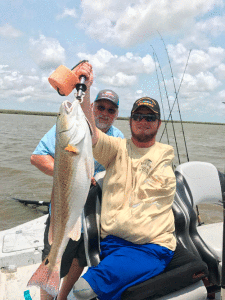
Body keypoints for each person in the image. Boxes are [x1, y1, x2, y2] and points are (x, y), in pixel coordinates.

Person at [71, 62, 176, 300]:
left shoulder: (165, 154)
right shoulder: (116, 148)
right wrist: (86, 88)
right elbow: (92, 132)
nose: (143, 120)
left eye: (150, 117)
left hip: (154, 247)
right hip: (115, 245)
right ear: (129, 122)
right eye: (138, 116)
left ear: (158, 124)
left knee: (82, 289)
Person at [31, 78, 124, 299]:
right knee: (54, 257)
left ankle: (62, 296)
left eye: (110, 110)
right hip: (65, 208)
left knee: (79, 260)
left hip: (94, 216)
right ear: (91, 107)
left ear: (116, 114)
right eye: (100, 107)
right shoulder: (71, 127)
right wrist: (71, 173)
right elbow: (37, 157)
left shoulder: (117, 137)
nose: (104, 113)